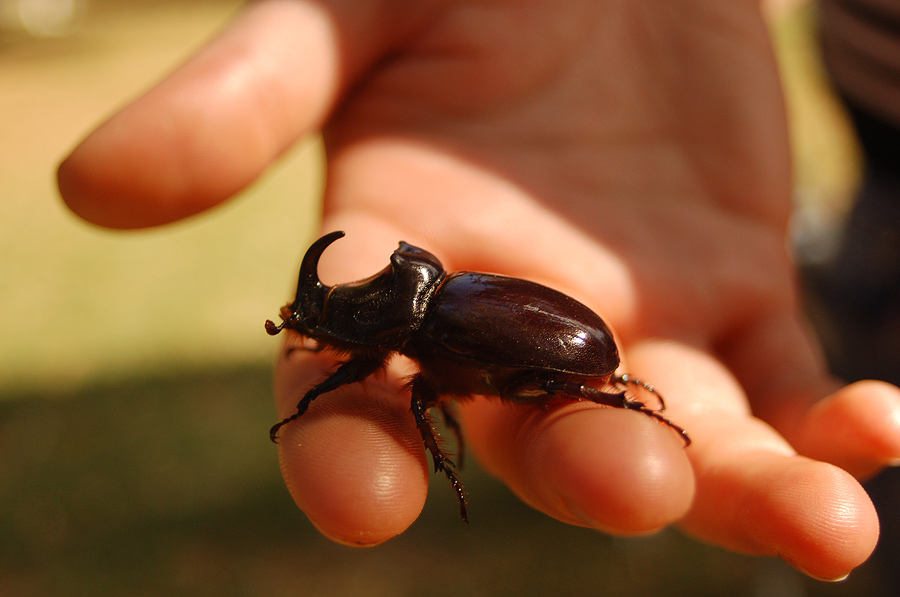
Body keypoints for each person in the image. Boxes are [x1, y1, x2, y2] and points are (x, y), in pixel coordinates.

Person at [57, 0, 900, 581]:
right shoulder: (426, 315)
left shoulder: (428, 338)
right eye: (330, 323)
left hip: (581, 351)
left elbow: (396, 375)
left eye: (339, 321)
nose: (334, 330)